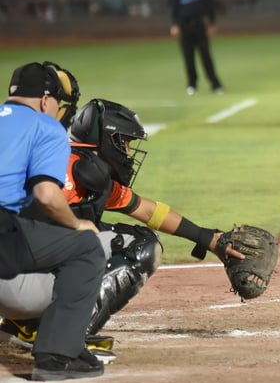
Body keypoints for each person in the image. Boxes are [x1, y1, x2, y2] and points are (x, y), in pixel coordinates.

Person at [0, 98, 245, 357]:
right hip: (15, 276)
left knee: (102, 233)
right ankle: (69, 338)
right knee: (138, 247)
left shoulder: (87, 172)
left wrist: (208, 239)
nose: (128, 153)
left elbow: (149, 211)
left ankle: (27, 325)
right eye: (124, 143)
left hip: (16, 275)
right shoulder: (67, 170)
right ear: (107, 139)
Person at [0, 61, 106, 381]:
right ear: (46, 101)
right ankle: (57, 355)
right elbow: (47, 195)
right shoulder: (46, 127)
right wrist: (76, 225)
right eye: (57, 104)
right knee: (87, 248)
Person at [170, 0, 224, 95]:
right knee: (188, 58)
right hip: (185, 28)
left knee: (206, 56)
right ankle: (192, 84)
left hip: (200, 26)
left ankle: (215, 84)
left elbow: (210, 7)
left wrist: (212, 23)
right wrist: (175, 26)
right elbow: (174, 11)